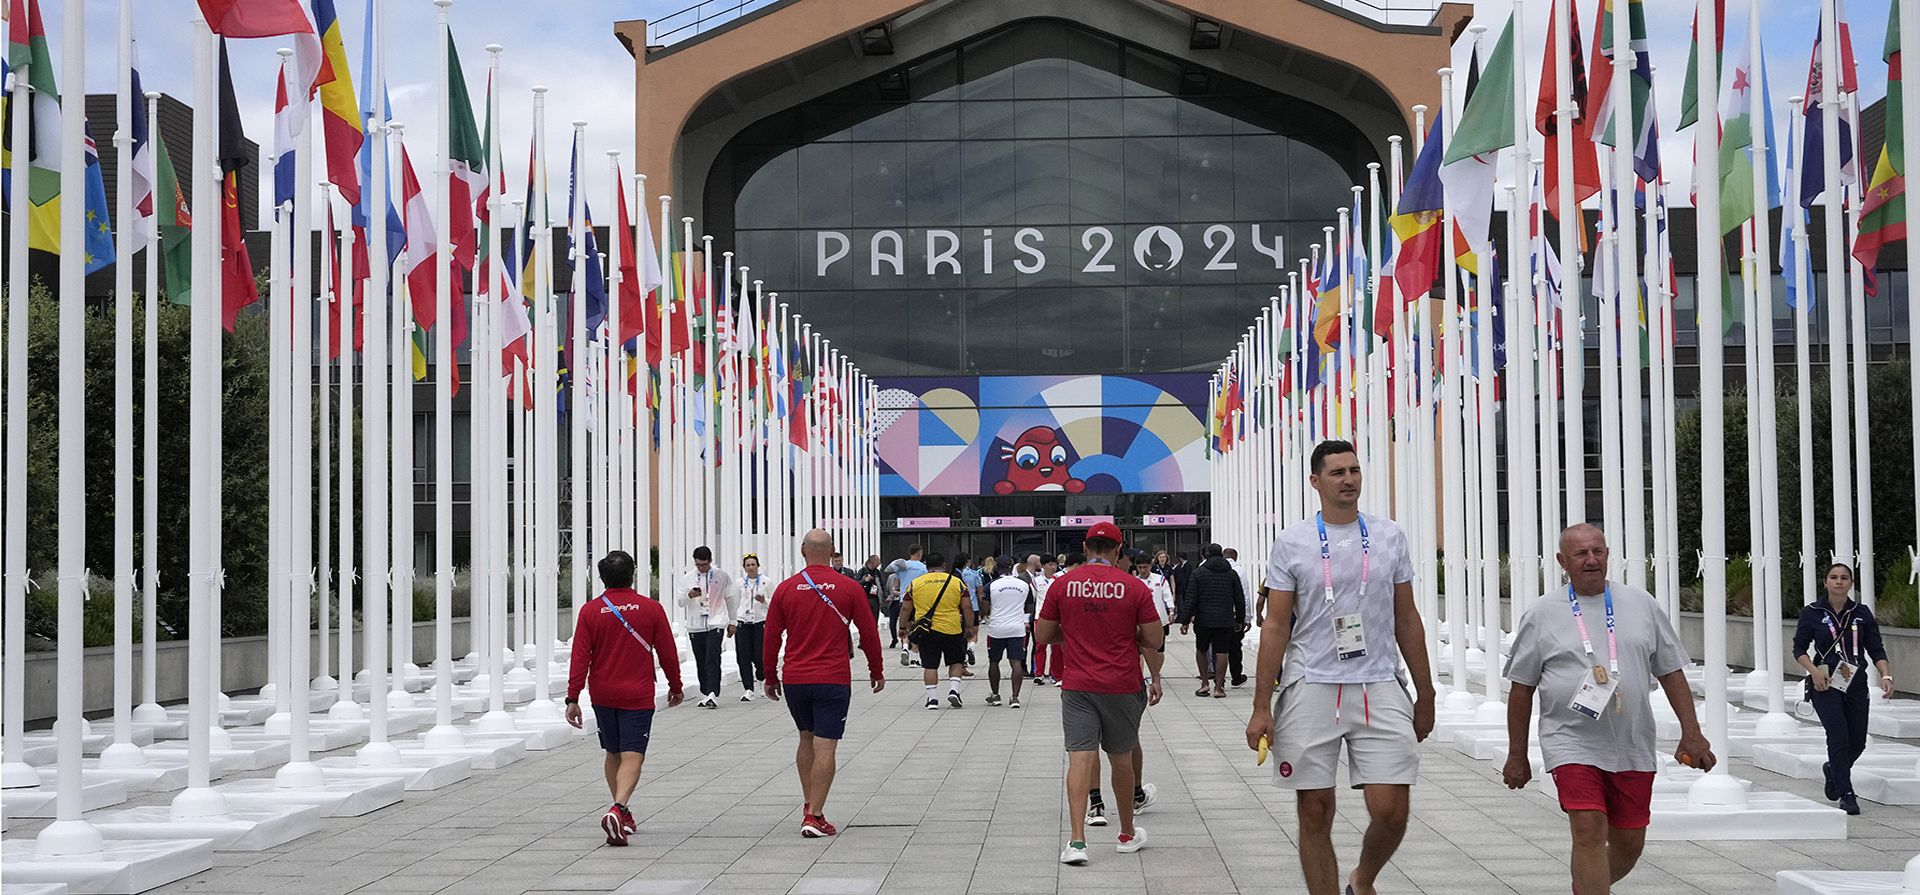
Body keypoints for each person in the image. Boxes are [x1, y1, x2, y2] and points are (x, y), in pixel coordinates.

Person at [1245, 439, 1435, 895]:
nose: (1348, 479)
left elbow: (1406, 616)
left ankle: (1362, 879)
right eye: (1337, 472)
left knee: (1391, 808)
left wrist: (1425, 693)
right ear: (1316, 482)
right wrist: (1260, 704)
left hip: (1378, 681)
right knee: (1314, 809)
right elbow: (1276, 626)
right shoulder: (1293, 541)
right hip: (1312, 682)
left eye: (1354, 470)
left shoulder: (1389, 535)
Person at [1503, 523, 1717, 895]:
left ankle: (1586, 887)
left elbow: (1671, 671)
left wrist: (1692, 732)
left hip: (1633, 744)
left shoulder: (1640, 603)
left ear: (1607, 555)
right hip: (1570, 741)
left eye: (1597, 551)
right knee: (1587, 826)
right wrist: (1517, 754)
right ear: (1562, 561)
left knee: (1629, 844)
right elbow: (1521, 688)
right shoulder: (1542, 613)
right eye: (1580, 554)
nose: (1591, 560)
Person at [1036, 522, 1164, 865]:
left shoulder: (1062, 585)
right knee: (1121, 758)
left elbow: (1044, 634)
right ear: (1119, 551)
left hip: (1077, 684)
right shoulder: (1134, 587)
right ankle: (1125, 833)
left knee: (1080, 759)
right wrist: (1125, 636)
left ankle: (1077, 842)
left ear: (1086, 545)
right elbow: (1154, 639)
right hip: (1122, 683)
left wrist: (1077, 637)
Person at [764, 529, 887, 838]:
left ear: (803, 550)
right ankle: (815, 815)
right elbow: (869, 632)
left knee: (806, 738)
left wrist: (769, 675)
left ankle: (809, 804)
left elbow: (770, 637)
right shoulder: (849, 587)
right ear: (832, 551)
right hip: (832, 677)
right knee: (826, 743)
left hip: (795, 678)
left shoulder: (786, 588)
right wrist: (876, 669)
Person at [565, 551, 684, 847]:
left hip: (602, 692)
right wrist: (675, 685)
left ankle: (623, 811)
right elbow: (667, 651)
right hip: (637, 692)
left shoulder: (590, 611)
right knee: (633, 754)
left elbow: (580, 656)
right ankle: (618, 808)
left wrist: (572, 697)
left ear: (602, 577)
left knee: (613, 751)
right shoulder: (650, 608)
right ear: (633, 574)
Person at [1794, 562, 1895, 816]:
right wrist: (1814, 671)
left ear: (1851, 583)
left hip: (1856, 683)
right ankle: (1847, 794)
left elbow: (1875, 648)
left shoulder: (1861, 613)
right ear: (1826, 582)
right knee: (1838, 735)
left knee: (1857, 742)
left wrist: (1886, 675)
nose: (1839, 582)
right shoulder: (1813, 612)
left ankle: (1834, 770)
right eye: (1834, 577)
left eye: (1844, 578)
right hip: (1825, 683)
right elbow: (1799, 649)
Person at [901, 552, 975, 709]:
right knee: (955, 661)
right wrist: (969, 627)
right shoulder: (956, 583)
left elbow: (906, 607)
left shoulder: (916, 583)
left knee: (930, 666)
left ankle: (932, 699)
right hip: (952, 629)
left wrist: (902, 627)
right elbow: (967, 606)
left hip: (926, 631)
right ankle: (954, 691)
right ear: (944, 565)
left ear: (926, 566)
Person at [1179, 543, 1248, 699]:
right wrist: (1240, 619)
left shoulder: (1198, 573)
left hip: (1203, 619)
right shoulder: (1231, 574)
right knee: (1222, 651)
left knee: (1202, 649)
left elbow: (1191, 598)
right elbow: (1239, 599)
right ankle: (1218, 688)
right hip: (1225, 619)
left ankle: (1204, 684)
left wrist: (1184, 621)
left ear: (1206, 555)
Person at [678, 546, 737, 709]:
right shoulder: (688, 578)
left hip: (716, 621)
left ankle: (712, 692)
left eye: (704, 564)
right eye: (698, 565)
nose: (701, 568)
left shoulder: (721, 575)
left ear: (710, 561)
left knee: (713, 657)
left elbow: (731, 598)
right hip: (695, 624)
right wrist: (689, 595)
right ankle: (705, 691)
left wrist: (733, 621)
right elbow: (680, 601)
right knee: (701, 659)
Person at [983, 557, 1034, 708]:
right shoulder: (1024, 584)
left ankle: (996, 694)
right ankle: (1015, 697)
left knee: (994, 662)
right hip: (1017, 629)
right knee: (1016, 663)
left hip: (997, 629)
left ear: (997, 567)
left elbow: (984, 609)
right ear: (1012, 566)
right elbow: (1030, 608)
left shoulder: (991, 585)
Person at [734, 554, 772, 702]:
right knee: (743, 656)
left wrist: (764, 601)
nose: (751, 568)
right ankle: (748, 688)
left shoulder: (766, 582)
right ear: (744, 567)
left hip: (759, 621)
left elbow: (774, 601)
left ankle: (761, 680)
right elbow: (734, 602)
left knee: (759, 655)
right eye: (748, 565)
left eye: (753, 565)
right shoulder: (739, 583)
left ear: (758, 565)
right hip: (743, 621)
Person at [895, 545, 929, 667]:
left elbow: (896, 582)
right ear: (919, 554)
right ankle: (915, 657)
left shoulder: (902, 566)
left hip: (904, 598)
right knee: (916, 627)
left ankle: (905, 647)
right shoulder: (923, 568)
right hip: (918, 600)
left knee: (905, 626)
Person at [1031, 555, 1062, 685]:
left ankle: (1056, 675)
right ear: (1043, 566)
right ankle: (1039, 673)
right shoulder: (1036, 581)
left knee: (1057, 648)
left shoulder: (1060, 579)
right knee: (1040, 646)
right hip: (1040, 616)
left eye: (1054, 564)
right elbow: (1032, 599)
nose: (1052, 567)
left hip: (1057, 617)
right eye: (1049, 564)